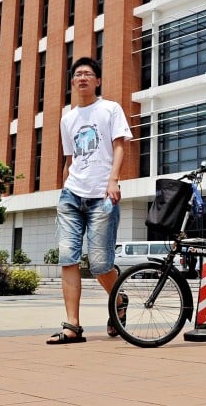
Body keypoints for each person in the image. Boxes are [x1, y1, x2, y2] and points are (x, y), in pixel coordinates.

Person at [47, 56, 133, 344]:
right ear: (72, 82)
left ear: (97, 81)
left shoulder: (110, 109)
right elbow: (70, 159)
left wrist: (113, 180)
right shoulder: (67, 119)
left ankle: (118, 300)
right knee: (68, 259)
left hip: (101, 197)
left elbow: (119, 145)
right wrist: (63, 187)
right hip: (71, 195)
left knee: (99, 264)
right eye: (77, 74)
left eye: (87, 74)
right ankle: (73, 325)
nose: (82, 78)